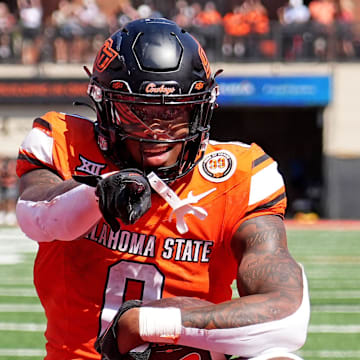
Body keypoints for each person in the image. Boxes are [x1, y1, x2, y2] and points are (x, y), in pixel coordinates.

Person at [15, 18, 310, 360]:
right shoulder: (62, 142)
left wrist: (146, 323)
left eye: (174, 112)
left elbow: (287, 314)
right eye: (137, 111)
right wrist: (97, 194)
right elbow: (33, 215)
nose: (157, 129)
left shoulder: (239, 176)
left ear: (201, 109)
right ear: (104, 106)